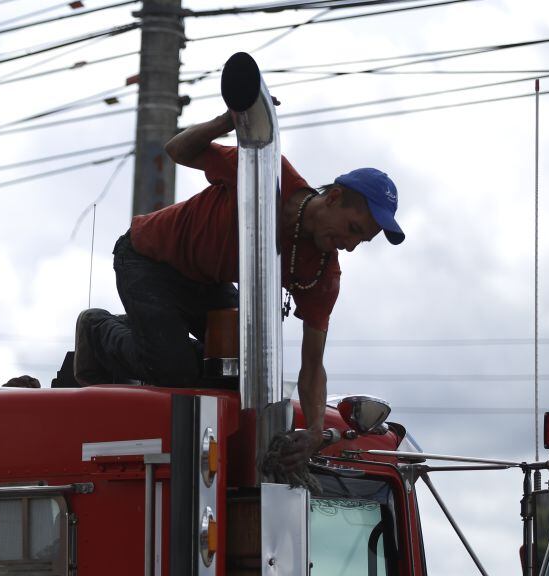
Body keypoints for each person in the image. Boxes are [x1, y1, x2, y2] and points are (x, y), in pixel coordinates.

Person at [74, 110, 404, 469]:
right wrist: (225, 122)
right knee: (175, 372)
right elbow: (177, 150)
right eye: (353, 229)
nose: (351, 246)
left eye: (363, 241)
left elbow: (312, 366)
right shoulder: (266, 171)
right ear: (335, 197)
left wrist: (312, 433)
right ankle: (98, 330)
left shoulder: (322, 274)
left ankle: (159, 339)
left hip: (206, 283)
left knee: (249, 372)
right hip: (148, 259)